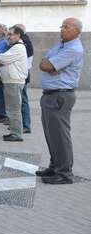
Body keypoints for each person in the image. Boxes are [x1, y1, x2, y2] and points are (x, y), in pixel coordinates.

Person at [36, 18, 84, 185]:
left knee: (60, 136)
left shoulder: (74, 49)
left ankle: (64, 173)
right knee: (51, 134)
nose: (61, 29)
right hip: (50, 95)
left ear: (77, 31)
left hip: (60, 96)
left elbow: (48, 65)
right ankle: (55, 166)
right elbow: (44, 62)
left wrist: (49, 65)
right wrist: (48, 64)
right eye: (61, 26)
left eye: (66, 27)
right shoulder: (61, 46)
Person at [0, 25, 28, 142]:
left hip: (14, 82)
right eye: (8, 34)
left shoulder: (18, 47)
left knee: (13, 109)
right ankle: (14, 132)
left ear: (18, 35)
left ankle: (16, 134)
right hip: (10, 81)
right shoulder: (14, 47)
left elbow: (1, 59)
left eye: (10, 34)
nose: (8, 37)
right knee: (11, 108)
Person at [17, 24, 33, 134]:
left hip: (22, 74)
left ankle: (26, 125)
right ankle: (22, 124)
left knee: (23, 100)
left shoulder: (24, 43)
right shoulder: (25, 41)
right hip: (23, 73)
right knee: (20, 100)